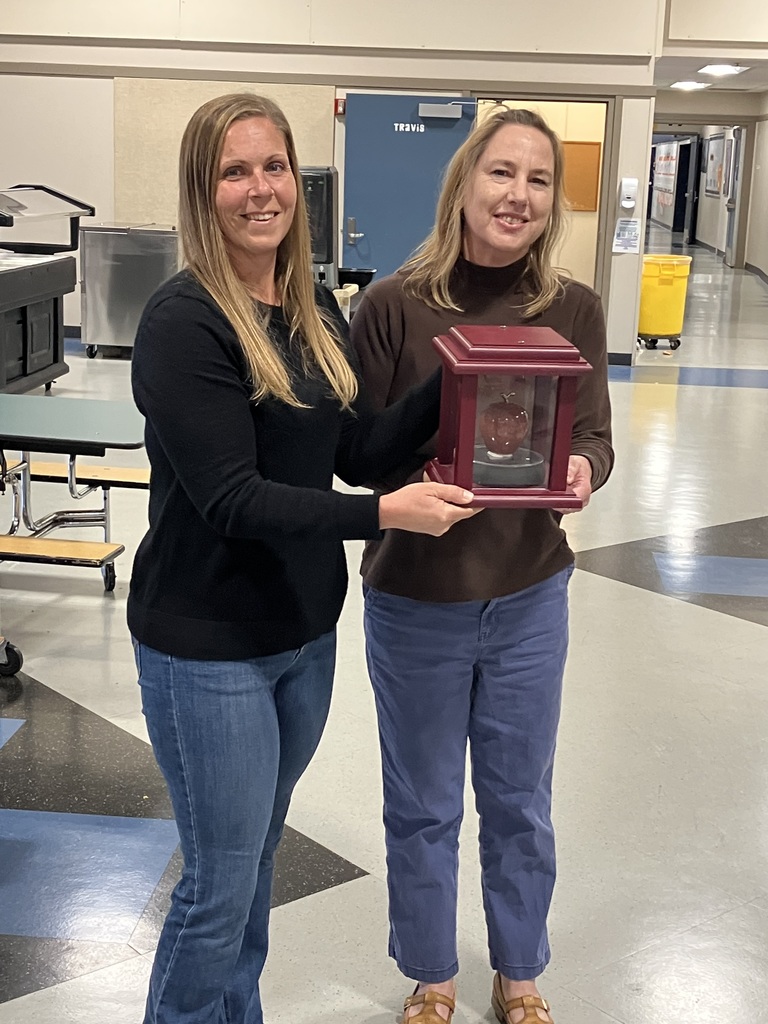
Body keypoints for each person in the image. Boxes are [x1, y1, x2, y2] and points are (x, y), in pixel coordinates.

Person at [127, 92, 478, 1024]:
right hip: (206, 647)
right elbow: (233, 499)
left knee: (252, 868)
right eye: (234, 171)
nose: (259, 189)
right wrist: (383, 517)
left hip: (300, 636)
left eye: (273, 166)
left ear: (298, 180)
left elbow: (355, 449)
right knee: (217, 888)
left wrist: (460, 380)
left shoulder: (312, 302)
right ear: (205, 191)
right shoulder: (185, 320)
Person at [350, 107, 614, 1024]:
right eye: (502, 173)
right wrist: (410, 480)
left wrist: (583, 467)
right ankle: (431, 975)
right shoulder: (391, 305)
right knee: (422, 802)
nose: (519, 195)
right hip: (417, 597)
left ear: (553, 201)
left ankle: (521, 971)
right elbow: (357, 454)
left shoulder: (572, 308)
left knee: (519, 798)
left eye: (539, 180)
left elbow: (593, 434)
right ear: (464, 182)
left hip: (530, 594)